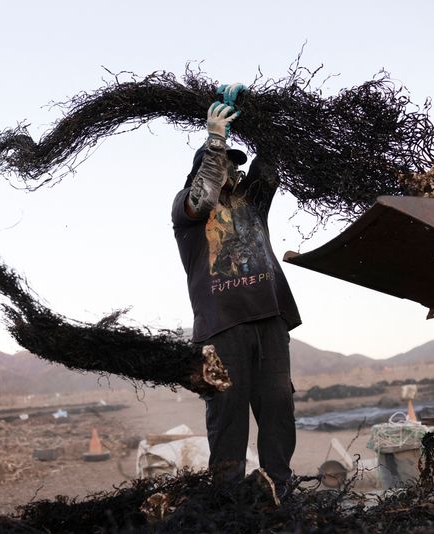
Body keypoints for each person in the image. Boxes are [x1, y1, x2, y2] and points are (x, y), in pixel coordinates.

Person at [171, 84, 301, 494]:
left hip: (270, 319)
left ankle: (277, 491)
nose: (232, 170)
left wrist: (257, 113)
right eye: (224, 163)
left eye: (233, 164)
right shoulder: (186, 208)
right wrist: (215, 140)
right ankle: (227, 498)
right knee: (227, 416)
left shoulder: (252, 202)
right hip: (220, 327)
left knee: (278, 408)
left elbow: (272, 163)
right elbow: (205, 193)